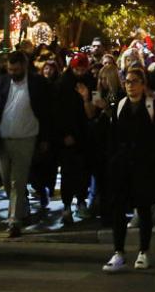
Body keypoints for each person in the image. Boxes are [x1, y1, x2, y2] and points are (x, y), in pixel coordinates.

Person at [102, 67, 155, 273]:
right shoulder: (120, 105)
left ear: (143, 84)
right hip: (122, 166)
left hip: (143, 166)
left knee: (143, 209)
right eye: (127, 81)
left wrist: (154, 163)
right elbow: (113, 135)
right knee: (119, 209)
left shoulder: (152, 106)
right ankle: (119, 252)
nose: (130, 85)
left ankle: (143, 251)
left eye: (134, 81)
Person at [0, 50, 52, 238]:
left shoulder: (37, 84)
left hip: (26, 138)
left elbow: (45, 112)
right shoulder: (1, 83)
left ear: (24, 66)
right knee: (6, 180)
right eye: (10, 69)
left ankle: (14, 220)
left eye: (16, 69)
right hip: (3, 138)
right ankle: (22, 208)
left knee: (17, 181)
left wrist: (45, 138)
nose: (13, 72)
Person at [55, 54, 97, 224]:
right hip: (68, 136)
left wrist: (86, 98)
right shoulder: (62, 84)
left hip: (85, 135)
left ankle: (81, 200)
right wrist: (63, 134)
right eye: (76, 69)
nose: (79, 72)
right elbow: (57, 112)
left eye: (82, 69)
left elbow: (92, 112)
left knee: (84, 171)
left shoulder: (90, 82)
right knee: (68, 172)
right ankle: (66, 205)